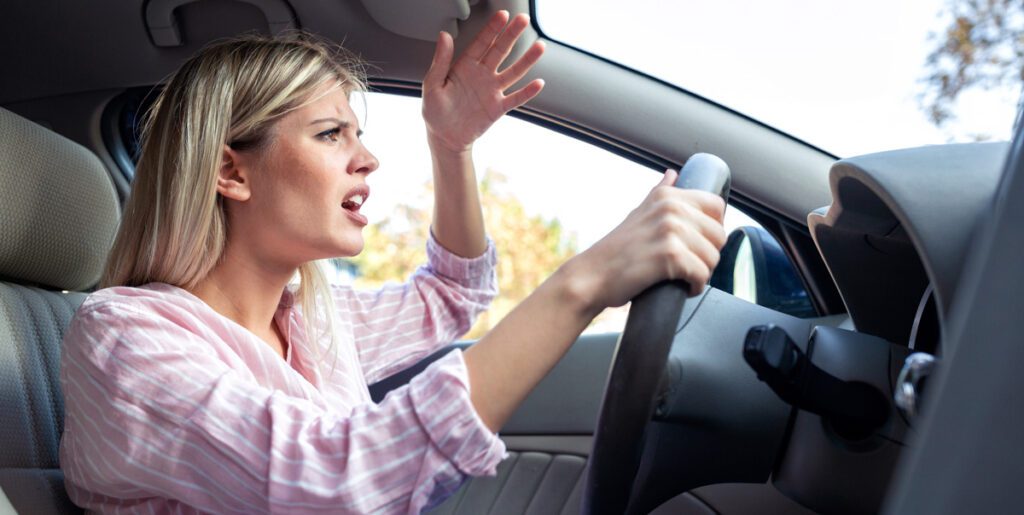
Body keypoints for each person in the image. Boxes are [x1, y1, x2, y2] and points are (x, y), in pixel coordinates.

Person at [59, 10, 726, 514]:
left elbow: (451, 295)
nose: (368, 159)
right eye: (330, 134)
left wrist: (451, 147)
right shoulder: (124, 341)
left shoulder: (316, 318)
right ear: (231, 171)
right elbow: (333, 479)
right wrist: (585, 282)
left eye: (361, 134)